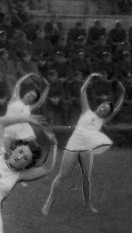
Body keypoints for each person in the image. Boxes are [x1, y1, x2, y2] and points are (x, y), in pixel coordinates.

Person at [42, 74, 124, 215]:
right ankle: (48, 204)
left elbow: (116, 109)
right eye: (103, 106)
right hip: (73, 145)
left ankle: (88, 205)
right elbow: (82, 91)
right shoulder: (87, 111)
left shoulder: (101, 121)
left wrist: (122, 93)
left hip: (86, 149)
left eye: (106, 110)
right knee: (63, 175)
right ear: (99, 105)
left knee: (86, 176)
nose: (103, 108)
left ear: (106, 114)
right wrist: (90, 78)